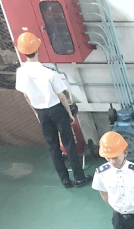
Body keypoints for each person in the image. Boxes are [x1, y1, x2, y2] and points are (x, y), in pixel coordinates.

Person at [13, 32, 89, 188]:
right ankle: (79, 178)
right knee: (69, 144)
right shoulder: (49, 73)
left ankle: (64, 180)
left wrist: (36, 112)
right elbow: (62, 97)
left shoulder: (21, 72)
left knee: (53, 146)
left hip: (41, 112)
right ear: (37, 49)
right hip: (57, 110)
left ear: (22, 51)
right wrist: (69, 114)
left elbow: (26, 95)